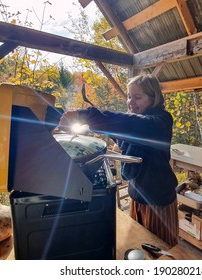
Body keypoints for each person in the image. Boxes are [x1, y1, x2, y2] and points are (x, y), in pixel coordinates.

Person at [58, 74, 179, 247]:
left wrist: (86, 115)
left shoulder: (160, 121)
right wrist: (98, 127)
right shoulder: (135, 121)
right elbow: (122, 133)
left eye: (138, 97)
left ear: (154, 98)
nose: (131, 101)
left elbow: (131, 124)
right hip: (137, 194)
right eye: (129, 96)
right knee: (140, 244)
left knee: (161, 251)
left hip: (158, 199)